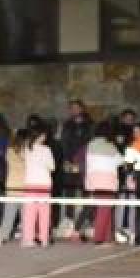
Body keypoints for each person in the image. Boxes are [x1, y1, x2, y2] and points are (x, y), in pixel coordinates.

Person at [85, 121, 124, 246]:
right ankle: (99, 237)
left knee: (103, 209)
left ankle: (108, 237)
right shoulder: (110, 146)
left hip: (94, 181)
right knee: (105, 210)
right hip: (108, 181)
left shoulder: (91, 144)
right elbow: (120, 161)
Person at [58, 100, 93, 234]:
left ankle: (87, 219)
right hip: (70, 161)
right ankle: (69, 219)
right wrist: (66, 160)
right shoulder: (67, 125)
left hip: (85, 162)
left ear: (82, 109)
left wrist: (83, 161)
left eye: (76, 108)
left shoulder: (90, 125)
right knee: (69, 190)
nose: (74, 110)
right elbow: (64, 143)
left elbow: (90, 143)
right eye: (71, 108)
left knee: (86, 190)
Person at [21, 122, 56, 247]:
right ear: (40, 135)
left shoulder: (26, 148)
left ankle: (27, 240)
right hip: (44, 184)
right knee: (44, 213)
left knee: (29, 213)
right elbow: (52, 167)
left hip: (30, 183)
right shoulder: (46, 149)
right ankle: (44, 239)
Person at [0, 129, 28, 248]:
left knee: (11, 215)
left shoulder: (10, 151)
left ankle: (1, 239)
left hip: (13, 186)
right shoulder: (23, 151)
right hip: (22, 186)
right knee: (20, 215)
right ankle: (23, 239)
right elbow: (24, 165)